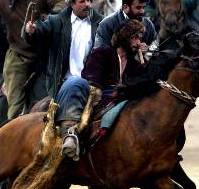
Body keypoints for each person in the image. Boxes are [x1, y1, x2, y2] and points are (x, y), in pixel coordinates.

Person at [53, 20, 146, 158]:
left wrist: (145, 66)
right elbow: (91, 78)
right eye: (136, 37)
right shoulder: (103, 52)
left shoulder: (134, 64)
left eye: (140, 39)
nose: (139, 43)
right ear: (125, 37)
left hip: (119, 100)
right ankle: (69, 134)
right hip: (97, 95)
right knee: (75, 82)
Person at [24, 0, 103, 99]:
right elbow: (40, 31)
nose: (87, 4)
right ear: (72, 4)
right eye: (82, 2)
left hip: (93, 84)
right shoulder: (57, 21)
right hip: (64, 83)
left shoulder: (100, 22)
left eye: (88, 0)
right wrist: (31, 31)